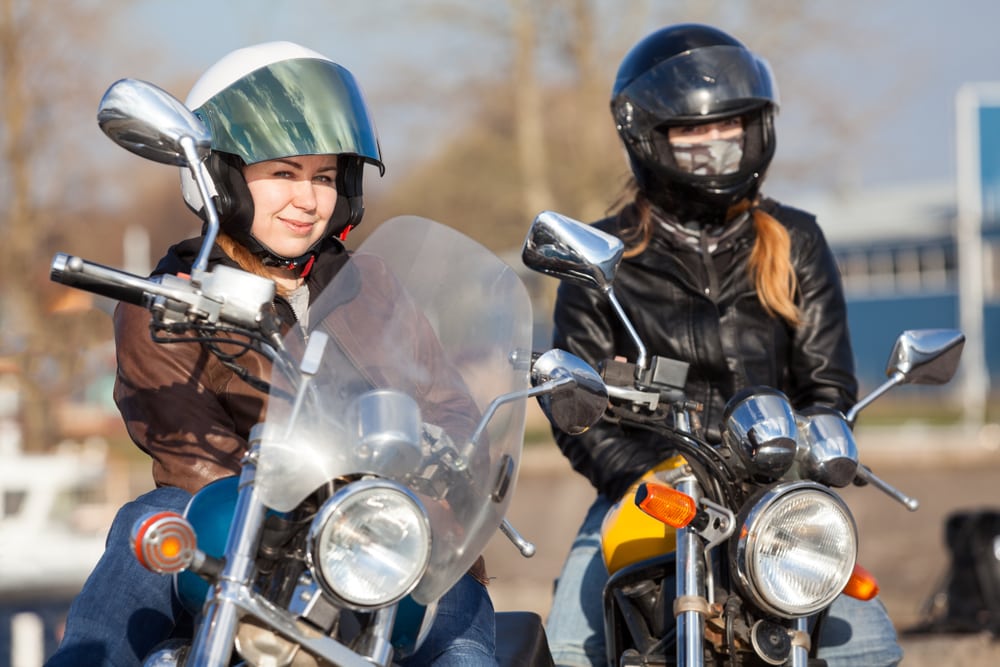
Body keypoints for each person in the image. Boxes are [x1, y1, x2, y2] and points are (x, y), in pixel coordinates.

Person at [46, 42, 496, 667]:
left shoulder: (375, 287)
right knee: (152, 518)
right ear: (222, 179)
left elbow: (450, 410)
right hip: (257, 553)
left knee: (462, 631)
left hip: (384, 541)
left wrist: (441, 475)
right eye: (283, 173)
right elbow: (194, 463)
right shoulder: (168, 304)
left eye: (325, 178)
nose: (308, 201)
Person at [542, 23, 903, 667]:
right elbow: (579, 410)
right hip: (649, 489)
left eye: (728, 126)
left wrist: (801, 455)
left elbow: (827, 387)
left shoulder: (796, 241)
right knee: (571, 643)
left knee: (868, 645)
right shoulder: (600, 256)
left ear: (756, 130)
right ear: (647, 138)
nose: (714, 142)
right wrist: (647, 475)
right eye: (691, 130)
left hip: (773, 493)